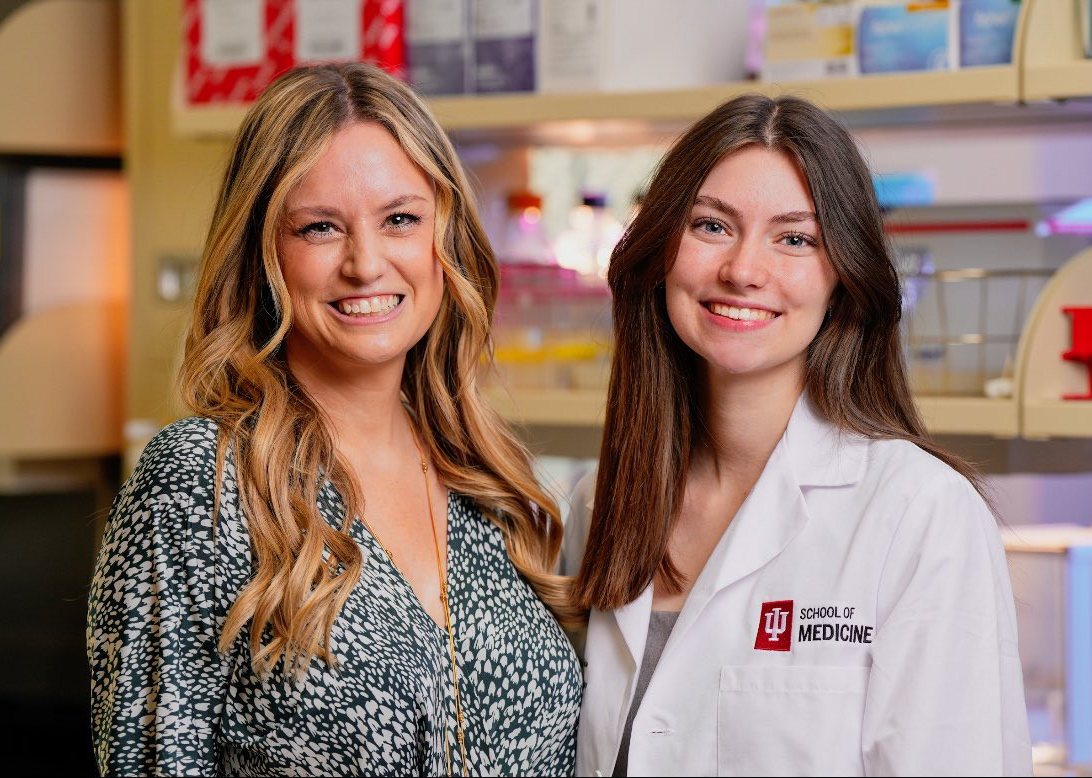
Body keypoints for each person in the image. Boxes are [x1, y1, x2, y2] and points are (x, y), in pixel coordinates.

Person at [88, 62, 582, 777]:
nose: (366, 263)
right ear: (263, 255)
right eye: (320, 228)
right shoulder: (202, 483)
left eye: (400, 219)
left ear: (445, 237)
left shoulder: (488, 478)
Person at [562, 94, 1032, 777]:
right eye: (711, 226)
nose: (743, 270)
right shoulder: (601, 502)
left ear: (843, 276)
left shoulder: (920, 513)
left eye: (795, 239)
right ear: (660, 251)